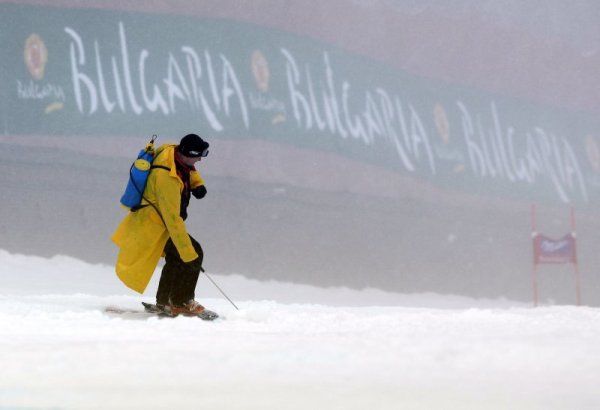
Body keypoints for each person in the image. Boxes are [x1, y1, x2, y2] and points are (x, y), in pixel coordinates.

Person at [112, 133, 213, 316]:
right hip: (155, 226)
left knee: (177, 257)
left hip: (157, 221)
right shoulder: (166, 178)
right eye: (198, 155)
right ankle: (181, 302)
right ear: (187, 153)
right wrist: (188, 252)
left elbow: (188, 170)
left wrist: (197, 183)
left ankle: (166, 301)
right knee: (193, 253)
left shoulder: (171, 152)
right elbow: (172, 220)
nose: (200, 159)